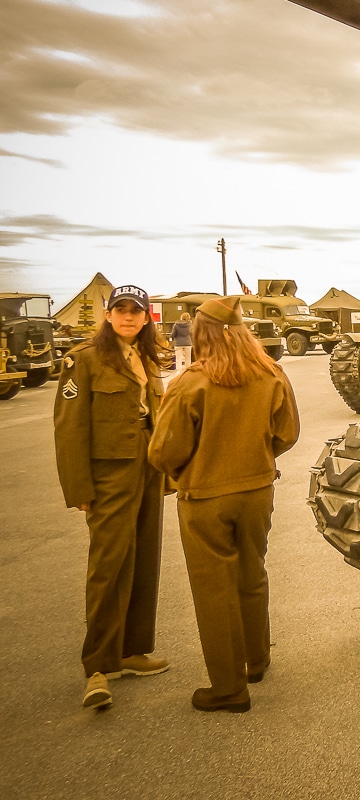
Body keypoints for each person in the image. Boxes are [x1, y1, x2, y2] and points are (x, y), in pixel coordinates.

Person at [148, 297, 299, 713]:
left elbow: (163, 453)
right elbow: (286, 434)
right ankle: (256, 660)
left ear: (200, 334)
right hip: (257, 492)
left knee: (214, 589)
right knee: (252, 573)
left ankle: (229, 688)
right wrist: (254, 459)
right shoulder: (271, 374)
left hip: (205, 497)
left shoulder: (190, 383)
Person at [53, 284, 169, 710]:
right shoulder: (83, 360)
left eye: (135, 312)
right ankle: (98, 665)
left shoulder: (147, 358)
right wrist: (79, 488)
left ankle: (130, 650)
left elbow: (156, 417)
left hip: (146, 467)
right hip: (108, 474)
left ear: (146, 317)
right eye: (120, 310)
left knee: (143, 558)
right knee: (107, 564)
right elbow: (69, 428)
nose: (128, 318)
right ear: (108, 314)